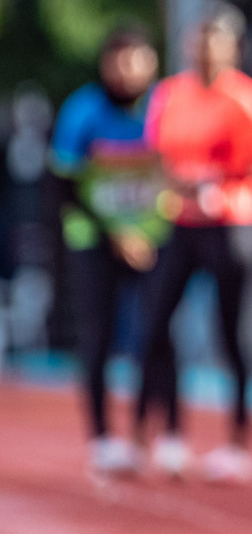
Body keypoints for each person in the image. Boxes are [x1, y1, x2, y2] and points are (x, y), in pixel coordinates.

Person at [134, 6, 252, 483]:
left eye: (217, 40)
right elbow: (152, 157)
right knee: (155, 326)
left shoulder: (250, 100)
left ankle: (237, 443)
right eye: (200, 39)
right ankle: (167, 433)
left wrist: (214, 184)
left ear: (234, 47)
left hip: (228, 224)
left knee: (230, 334)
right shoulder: (169, 95)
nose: (207, 49)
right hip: (176, 223)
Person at [49, 25, 171, 478]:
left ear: (152, 62)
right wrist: (115, 234)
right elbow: (62, 187)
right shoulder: (82, 111)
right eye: (117, 58)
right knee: (97, 336)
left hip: (151, 239)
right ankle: (101, 438)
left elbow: (176, 174)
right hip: (94, 238)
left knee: (158, 333)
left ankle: (150, 432)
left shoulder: (164, 111)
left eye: (136, 57)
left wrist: (156, 228)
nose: (126, 68)